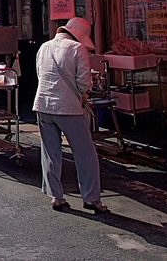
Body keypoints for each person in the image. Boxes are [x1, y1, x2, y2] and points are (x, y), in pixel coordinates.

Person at [33, 17, 109, 214]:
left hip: (42, 105)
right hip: (68, 108)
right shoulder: (77, 49)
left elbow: (40, 74)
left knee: (50, 152)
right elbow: (84, 83)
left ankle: (56, 197)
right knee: (85, 153)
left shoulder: (44, 47)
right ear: (80, 35)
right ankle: (91, 198)